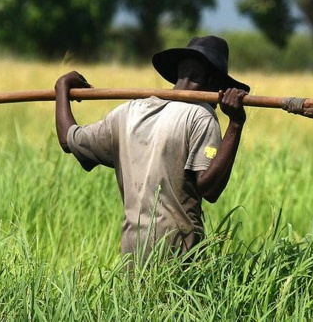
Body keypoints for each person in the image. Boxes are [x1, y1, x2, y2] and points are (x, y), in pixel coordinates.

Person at [54, 35, 249, 263]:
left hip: (132, 251)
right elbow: (209, 189)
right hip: (179, 253)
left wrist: (61, 88)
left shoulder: (128, 112)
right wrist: (235, 125)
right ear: (215, 82)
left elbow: (68, 139)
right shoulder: (201, 116)